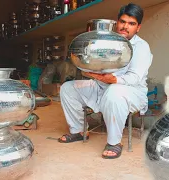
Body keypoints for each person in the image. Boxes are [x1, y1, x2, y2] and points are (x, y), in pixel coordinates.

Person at [58, 3, 153, 159]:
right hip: (101, 85)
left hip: (130, 91)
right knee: (68, 88)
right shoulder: (106, 42)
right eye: (122, 22)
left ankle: (115, 142)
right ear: (117, 23)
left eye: (131, 24)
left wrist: (113, 79)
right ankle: (79, 130)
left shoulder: (141, 47)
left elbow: (134, 77)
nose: (125, 27)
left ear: (138, 27)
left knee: (114, 91)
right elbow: (95, 65)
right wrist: (90, 69)